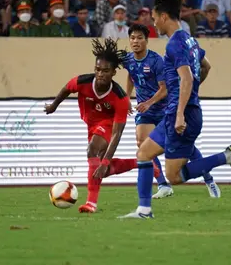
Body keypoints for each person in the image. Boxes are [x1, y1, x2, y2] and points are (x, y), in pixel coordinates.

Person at [116, 0, 231, 219]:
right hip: (179, 111)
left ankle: (227, 156)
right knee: (143, 153)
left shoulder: (174, 44)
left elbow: (187, 77)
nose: (154, 23)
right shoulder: (190, 40)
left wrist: (180, 112)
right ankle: (144, 210)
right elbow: (205, 67)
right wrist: (192, 93)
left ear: (164, 16)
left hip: (182, 114)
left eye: (155, 17)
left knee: (175, 176)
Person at [44, 38, 159, 214]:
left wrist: (105, 160)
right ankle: (141, 163)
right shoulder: (82, 82)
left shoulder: (119, 97)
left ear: (113, 72)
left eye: (105, 71)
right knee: (100, 171)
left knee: (92, 152)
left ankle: (91, 203)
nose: (100, 74)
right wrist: (53, 106)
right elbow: (67, 88)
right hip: (90, 123)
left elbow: (117, 134)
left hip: (107, 124)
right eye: (98, 69)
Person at [124, 23, 221, 199]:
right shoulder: (129, 60)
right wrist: (126, 97)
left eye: (139, 38)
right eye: (132, 38)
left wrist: (149, 102)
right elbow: (131, 76)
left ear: (147, 41)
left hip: (164, 107)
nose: (135, 41)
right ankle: (162, 184)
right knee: (142, 143)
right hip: (146, 111)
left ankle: (208, 177)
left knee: (187, 148)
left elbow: (165, 88)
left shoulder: (157, 61)